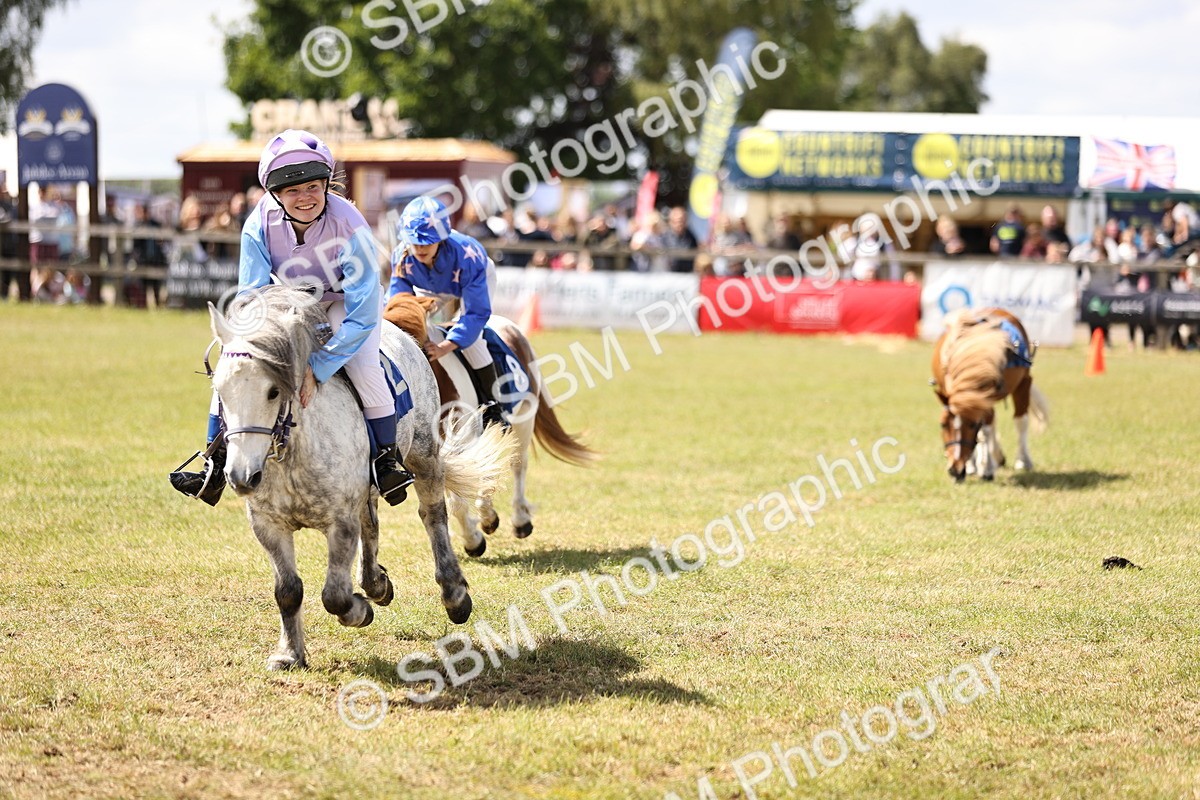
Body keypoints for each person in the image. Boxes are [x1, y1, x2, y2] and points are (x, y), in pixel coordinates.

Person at [170, 129, 415, 507]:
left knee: (364, 367)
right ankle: (214, 464)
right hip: (288, 301)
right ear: (275, 196)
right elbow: (251, 294)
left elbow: (364, 312)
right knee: (234, 364)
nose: (304, 198)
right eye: (292, 191)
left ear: (327, 185)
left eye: (313, 188)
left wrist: (319, 366)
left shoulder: (351, 225)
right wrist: (250, 339)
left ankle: (386, 460)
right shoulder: (258, 223)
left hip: (346, 302)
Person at [387, 195, 507, 429]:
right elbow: (400, 303)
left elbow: (476, 313)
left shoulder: (468, 257)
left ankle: (494, 407)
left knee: (474, 341)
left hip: (469, 280)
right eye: (415, 241)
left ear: (441, 239)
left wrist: (446, 346)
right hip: (430, 286)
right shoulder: (401, 256)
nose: (420, 247)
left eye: (427, 242)